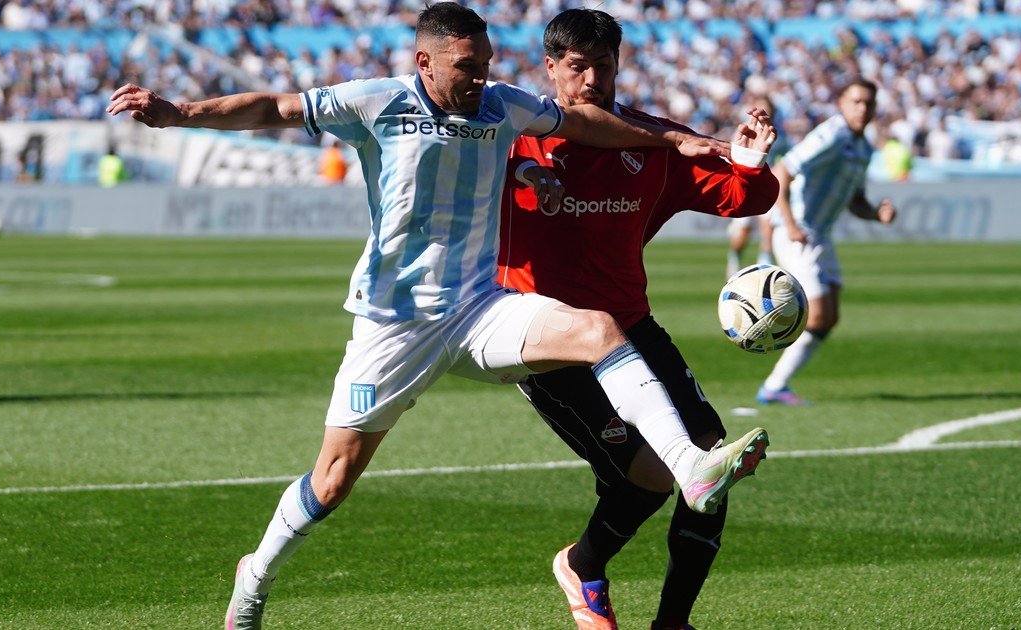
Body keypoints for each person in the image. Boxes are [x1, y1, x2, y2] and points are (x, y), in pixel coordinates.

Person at [106, 4, 763, 628]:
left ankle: (690, 464)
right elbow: (277, 106)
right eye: (465, 69)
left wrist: (680, 141)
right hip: (395, 326)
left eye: (484, 64)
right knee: (332, 482)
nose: (479, 80)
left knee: (598, 330)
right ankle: (254, 579)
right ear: (425, 62)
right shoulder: (377, 101)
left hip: (481, 311)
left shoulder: (504, 104)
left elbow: (586, 124)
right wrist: (182, 112)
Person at [498, 10, 778, 629]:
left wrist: (753, 164)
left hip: (631, 327)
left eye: (604, 64)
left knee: (711, 459)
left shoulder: (652, 140)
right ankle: (582, 564)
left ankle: (672, 622)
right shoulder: (515, 136)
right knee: (652, 475)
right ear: (551, 69)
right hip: (548, 336)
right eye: (579, 67)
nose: (593, 78)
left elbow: (742, 196)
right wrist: (523, 172)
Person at [756, 77, 898, 406]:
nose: (862, 108)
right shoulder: (831, 133)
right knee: (818, 315)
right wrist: (790, 224)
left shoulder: (863, 146)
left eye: (868, 103)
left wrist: (877, 213)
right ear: (842, 104)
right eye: (856, 102)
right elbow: (782, 171)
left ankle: (776, 385)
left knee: (830, 317)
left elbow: (855, 200)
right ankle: (773, 381)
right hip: (799, 232)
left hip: (820, 235)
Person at [726, 93, 784, 277]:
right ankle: (734, 257)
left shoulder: (780, 139)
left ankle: (764, 268)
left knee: (769, 228)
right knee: (744, 230)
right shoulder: (745, 133)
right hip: (746, 185)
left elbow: (783, 163)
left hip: (768, 187)